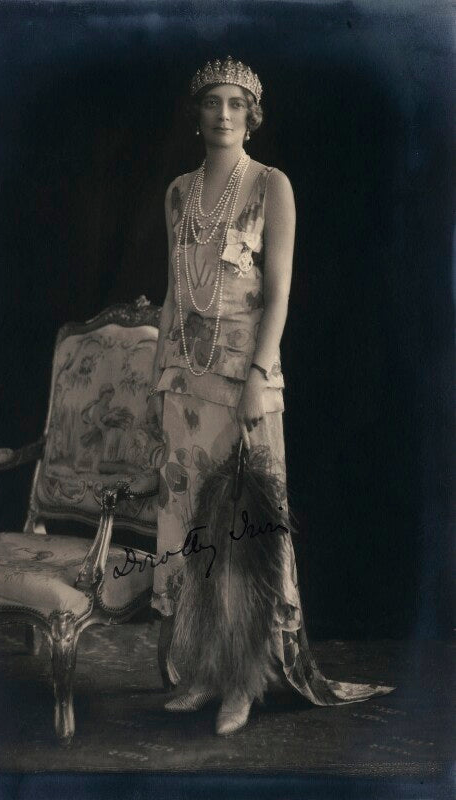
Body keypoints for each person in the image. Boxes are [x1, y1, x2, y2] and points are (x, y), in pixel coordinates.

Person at [146, 56, 394, 736]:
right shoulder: (177, 194)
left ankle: (245, 682)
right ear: (197, 114)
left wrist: (258, 376)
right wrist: (157, 378)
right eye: (212, 102)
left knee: (245, 536)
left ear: (252, 115)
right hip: (184, 382)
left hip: (244, 382)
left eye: (236, 104)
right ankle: (203, 672)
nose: (223, 114)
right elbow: (172, 295)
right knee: (191, 533)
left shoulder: (270, 185)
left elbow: (279, 292)